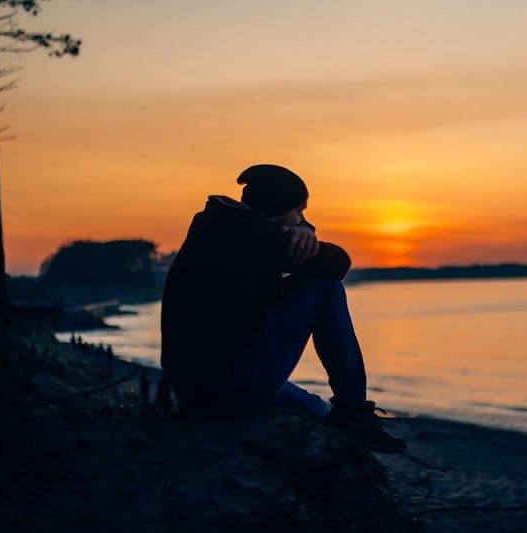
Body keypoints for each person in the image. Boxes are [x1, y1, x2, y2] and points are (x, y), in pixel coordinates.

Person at [161, 164, 406, 453]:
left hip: (199, 391)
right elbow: (338, 263)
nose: (304, 219)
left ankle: (347, 416)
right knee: (326, 287)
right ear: (278, 211)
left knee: (320, 412)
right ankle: (353, 409)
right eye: (299, 211)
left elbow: (301, 244)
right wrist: (302, 235)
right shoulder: (252, 236)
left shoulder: (220, 224)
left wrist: (301, 229)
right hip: (226, 390)